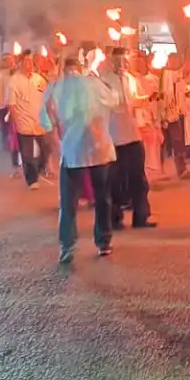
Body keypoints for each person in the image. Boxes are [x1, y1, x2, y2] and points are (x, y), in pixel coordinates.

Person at [45, 55, 119, 262]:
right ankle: (103, 241)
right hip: (98, 148)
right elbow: (115, 101)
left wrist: (56, 130)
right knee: (102, 197)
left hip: (73, 150)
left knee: (68, 201)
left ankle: (67, 245)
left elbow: (46, 114)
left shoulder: (57, 86)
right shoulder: (94, 83)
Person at [100, 48, 155, 230]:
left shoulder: (130, 79)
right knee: (114, 180)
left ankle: (141, 217)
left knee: (139, 179)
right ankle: (114, 219)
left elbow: (134, 100)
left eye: (124, 60)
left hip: (132, 134)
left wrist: (148, 98)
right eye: (118, 60)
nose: (122, 63)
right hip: (114, 137)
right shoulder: (105, 81)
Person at [6, 52, 51, 188]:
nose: (30, 64)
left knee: (46, 148)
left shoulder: (39, 79)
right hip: (24, 121)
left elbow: (48, 97)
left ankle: (40, 167)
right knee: (27, 153)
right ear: (20, 63)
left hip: (40, 120)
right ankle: (32, 180)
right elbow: (12, 104)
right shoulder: (14, 81)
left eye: (31, 61)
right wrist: (16, 121)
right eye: (26, 61)